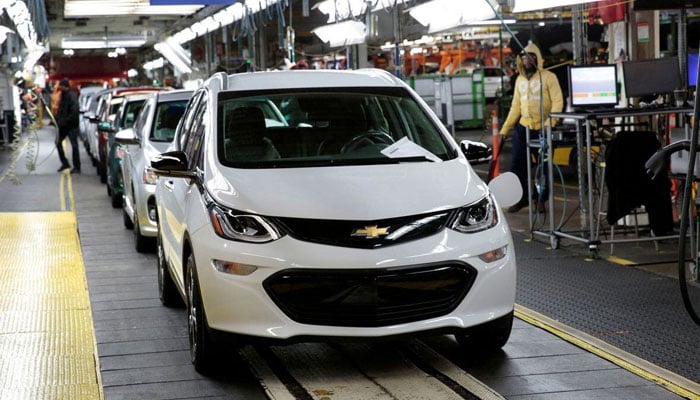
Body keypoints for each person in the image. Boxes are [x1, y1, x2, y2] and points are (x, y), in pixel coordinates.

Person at [499, 42, 563, 213]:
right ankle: (522, 199)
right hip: (523, 129)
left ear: (537, 59)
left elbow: (558, 102)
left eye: (530, 57)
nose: (526, 60)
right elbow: (515, 107)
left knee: (544, 167)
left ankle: (540, 199)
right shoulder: (519, 80)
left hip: (543, 129)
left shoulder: (549, 77)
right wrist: (505, 130)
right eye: (523, 57)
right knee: (517, 166)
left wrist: (550, 124)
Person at [55, 78, 81, 173]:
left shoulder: (71, 96)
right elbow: (61, 110)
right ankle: (65, 163)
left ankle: (77, 166)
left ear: (65, 86)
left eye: (61, 86)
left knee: (74, 145)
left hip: (71, 125)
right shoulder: (63, 95)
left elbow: (74, 110)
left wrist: (66, 120)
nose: (59, 88)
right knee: (58, 143)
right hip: (64, 125)